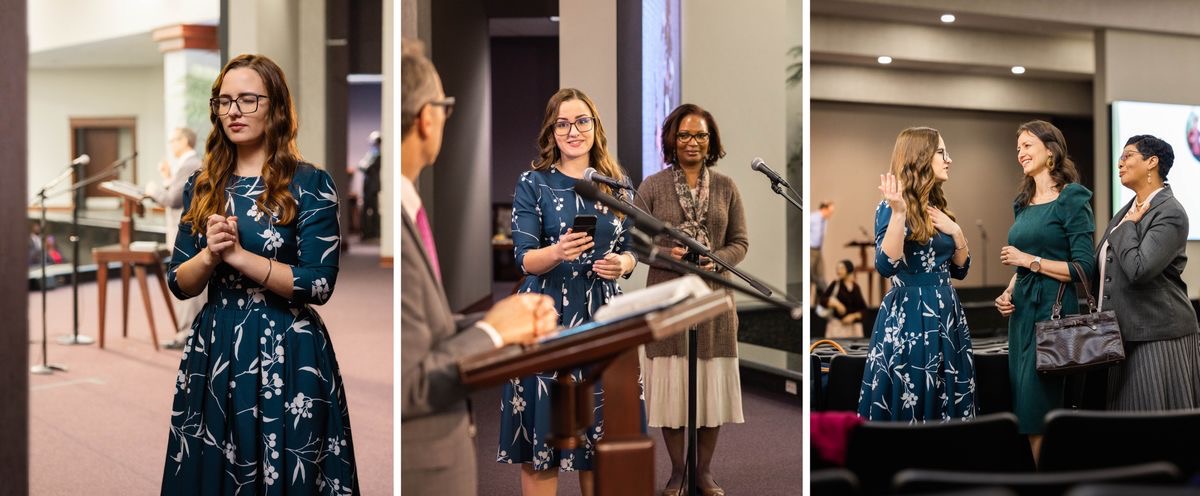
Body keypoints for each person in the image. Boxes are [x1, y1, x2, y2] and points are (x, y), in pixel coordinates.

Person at [159, 54, 360, 493]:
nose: (233, 111)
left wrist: (238, 256)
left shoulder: (311, 183)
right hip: (215, 346)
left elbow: (318, 283)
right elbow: (179, 281)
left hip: (287, 347)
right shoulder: (202, 184)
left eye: (248, 100)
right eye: (224, 101)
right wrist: (210, 255)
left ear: (276, 107)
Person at [398, 39, 557, 495]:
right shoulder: (404, 216)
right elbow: (413, 379)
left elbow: (426, 329)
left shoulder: (409, 208)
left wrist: (496, 323)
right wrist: (492, 332)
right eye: (446, 106)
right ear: (428, 117)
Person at [498, 87, 638, 496]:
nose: (572, 131)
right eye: (562, 123)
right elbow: (523, 259)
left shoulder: (617, 184)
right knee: (547, 436)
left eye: (581, 122)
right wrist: (558, 252)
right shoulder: (533, 182)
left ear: (595, 127)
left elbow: (631, 249)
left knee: (601, 440)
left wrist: (623, 264)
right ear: (551, 131)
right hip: (547, 318)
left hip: (603, 317)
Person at [637, 103, 748, 496]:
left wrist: (718, 262)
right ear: (671, 139)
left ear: (710, 141)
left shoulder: (726, 187)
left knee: (709, 389)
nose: (692, 142)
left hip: (715, 301)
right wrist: (669, 254)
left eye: (700, 135)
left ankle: (704, 472)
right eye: (684, 135)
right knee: (672, 390)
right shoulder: (651, 186)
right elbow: (635, 243)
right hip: (668, 297)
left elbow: (740, 242)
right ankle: (677, 472)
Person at [858, 126, 975, 422]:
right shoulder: (891, 207)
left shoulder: (937, 207)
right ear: (921, 157)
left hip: (946, 313)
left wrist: (957, 231)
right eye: (941, 153)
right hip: (911, 314)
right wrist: (899, 214)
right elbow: (886, 265)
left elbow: (961, 269)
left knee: (946, 397)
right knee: (913, 394)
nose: (949, 159)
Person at [993, 120, 1095, 453]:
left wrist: (1028, 261)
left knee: (1039, 409)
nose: (1020, 152)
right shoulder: (1022, 202)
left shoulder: (1072, 198)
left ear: (1050, 150)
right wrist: (1008, 291)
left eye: (1027, 145)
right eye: (1018, 147)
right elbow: (1022, 264)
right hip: (1022, 314)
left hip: (1053, 315)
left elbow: (1082, 268)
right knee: (1024, 406)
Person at [1099, 135, 1200, 410]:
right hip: (1119, 337)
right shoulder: (1126, 210)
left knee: (1153, 428)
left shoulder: (1171, 211)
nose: (1120, 163)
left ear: (1152, 163)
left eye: (1128, 155)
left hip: (1157, 336)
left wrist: (1130, 227)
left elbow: (1139, 269)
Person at [148, 127, 206, 350]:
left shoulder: (190, 164)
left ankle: (188, 334)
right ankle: (189, 332)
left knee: (188, 285)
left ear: (185, 141)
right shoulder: (186, 165)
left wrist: (153, 189)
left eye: (173, 140)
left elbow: (173, 200)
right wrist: (166, 177)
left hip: (187, 234)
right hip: (186, 232)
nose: (170, 144)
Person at [822, 259, 867, 339]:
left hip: (853, 330)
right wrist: (835, 304)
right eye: (837, 268)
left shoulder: (856, 287)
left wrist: (854, 316)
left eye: (842, 268)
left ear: (848, 269)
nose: (839, 271)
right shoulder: (835, 284)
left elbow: (863, 309)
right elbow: (823, 300)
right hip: (837, 328)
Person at [359, 130, 382, 240]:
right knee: (366, 210)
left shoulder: (378, 155)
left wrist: (364, 165)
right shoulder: (371, 153)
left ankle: (375, 232)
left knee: (374, 210)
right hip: (368, 186)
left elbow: (365, 167)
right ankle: (367, 232)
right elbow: (361, 165)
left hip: (373, 187)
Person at [811, 201, 835, 295]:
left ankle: (822, 300)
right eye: (830, 211)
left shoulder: (824, 220)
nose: (831, 214)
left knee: (820, 275)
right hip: (810, 250)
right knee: (810, 275)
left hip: (818, 250)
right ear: (824, 209)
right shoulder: (812, 218)